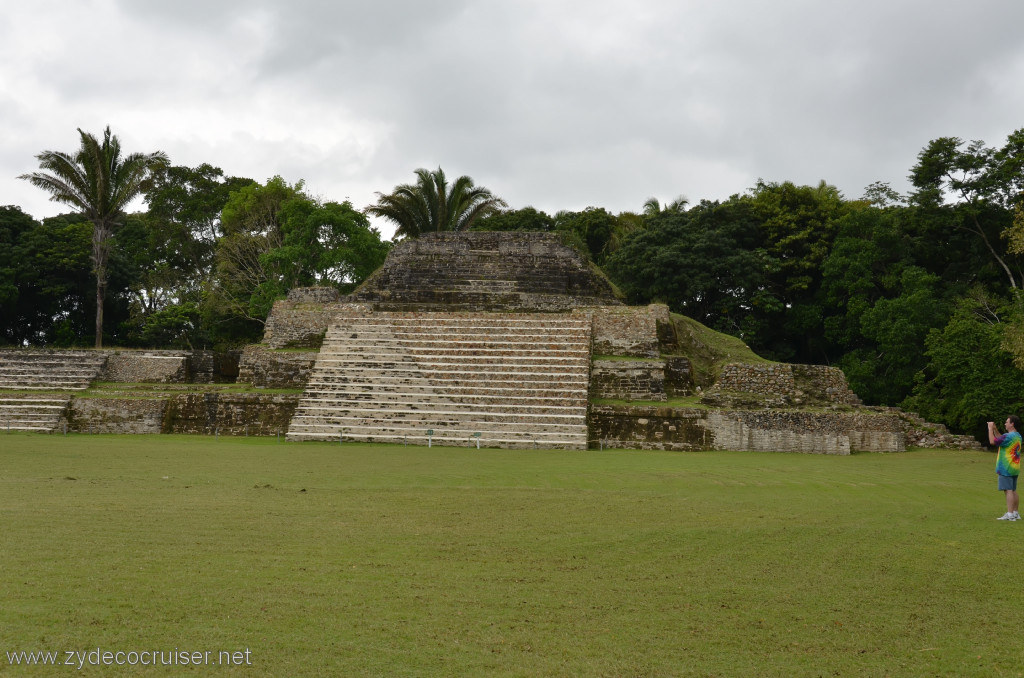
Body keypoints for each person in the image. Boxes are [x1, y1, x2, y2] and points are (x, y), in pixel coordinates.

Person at [988, 415, 1022, 521]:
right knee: (1013, 490)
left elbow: (993, 441)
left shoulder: (1008, 436)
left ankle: (1010, 514)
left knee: (1008, 490)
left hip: (1006, 467)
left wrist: (990, 429)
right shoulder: (1016, 436)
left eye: (1007, 422)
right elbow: (1001, 438)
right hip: (1014, 467)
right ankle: (1015, 513)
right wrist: (995, 429)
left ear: (1012, 424)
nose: (1005, 423)